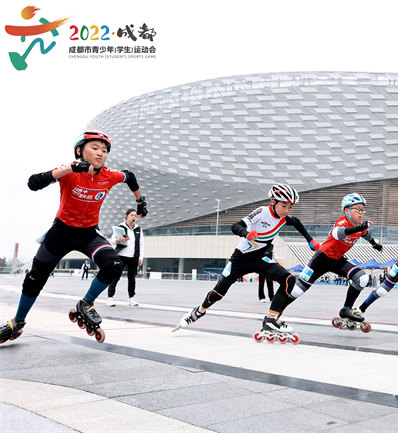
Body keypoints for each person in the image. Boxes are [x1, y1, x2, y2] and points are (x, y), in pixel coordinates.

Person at [0, 131, 149, 344]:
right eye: (95, 148)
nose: (100, 153)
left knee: (114, 264)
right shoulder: (68, 171)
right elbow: (33, 183)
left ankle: (86, 304)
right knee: (35, 278)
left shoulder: (109, 175)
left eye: (104, 150)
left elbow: (130, 176)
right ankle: (17, 322)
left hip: (88, 234)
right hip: (60, 233)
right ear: (80, 151)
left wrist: (140, 202)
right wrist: (70, 169)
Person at [175, 184, 319, 333]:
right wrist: (245, 233)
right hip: (240, 259)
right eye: (284, 206)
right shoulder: (262, 212)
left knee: (289, 280)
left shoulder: (285, 218)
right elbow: (235, 226)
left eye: (290, 207)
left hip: (260, 259)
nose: (287, 211)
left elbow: (298, 223)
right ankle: (198, 311)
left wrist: (310, 241)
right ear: (273, 202)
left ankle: (270, 320)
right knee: (219, 292)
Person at [265, 193, 383, 329]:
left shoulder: (360, 227)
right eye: (357, 209)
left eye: (363, 210)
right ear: (347, 210)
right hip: (321, 259)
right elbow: (338, 233)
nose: (361, 213)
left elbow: (367, 234)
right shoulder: (343, 221)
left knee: (362, 278)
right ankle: (273, 316)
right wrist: (360, 228)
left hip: (337, 260)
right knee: (297, 290)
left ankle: (346, 309)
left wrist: (375, 244)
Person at [105, 208, 145, 307]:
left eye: (135, 216)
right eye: (131, 215)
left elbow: (141, 244)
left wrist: (141, 256)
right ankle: (110, 298)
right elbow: (113, 241)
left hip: (133, 257)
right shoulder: (121, 227)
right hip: (121, 256)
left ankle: (131, 298)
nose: (134, 217)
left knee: (132, 278)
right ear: (126, 216)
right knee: (116, 277)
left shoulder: (138, 229)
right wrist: (120, 239)